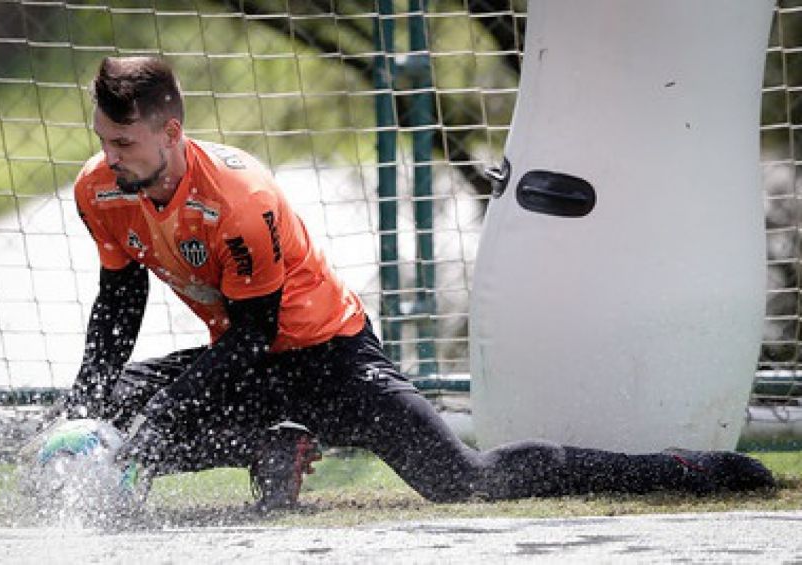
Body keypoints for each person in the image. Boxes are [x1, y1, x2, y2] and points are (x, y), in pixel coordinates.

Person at [60, 55, 774, 512]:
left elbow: (252, 337)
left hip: (328, 357)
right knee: (106, 410)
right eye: (103, 139)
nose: (108, 156)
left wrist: (154, 427)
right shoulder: (101, 189)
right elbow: (119, 306)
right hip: (251, 369)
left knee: (466, 480)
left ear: (172, 131)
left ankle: (685, 468)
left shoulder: (244, 200)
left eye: (123, 143)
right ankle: (271, 441)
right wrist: (80, 409)